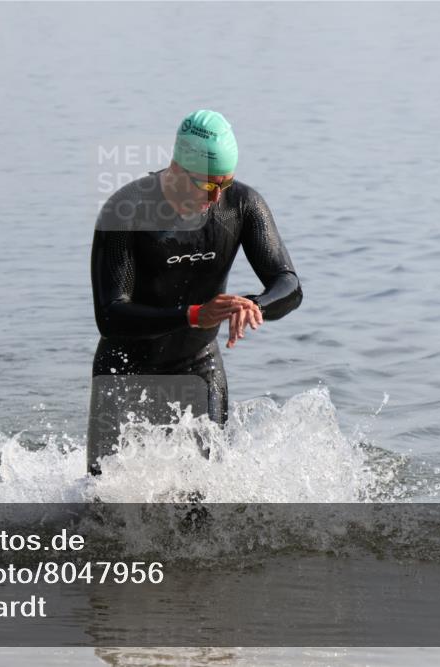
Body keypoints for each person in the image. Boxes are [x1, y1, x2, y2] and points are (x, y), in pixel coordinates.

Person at [87, 110, 302, 475]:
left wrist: (254, 305)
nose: (217, 197)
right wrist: (193, 315)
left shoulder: (243, 205)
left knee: (204, 504)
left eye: (226, 183)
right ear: (176, 167)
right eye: (207, 185)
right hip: (125, 371)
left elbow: (289, 285)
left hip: (197, 367)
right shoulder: (126, 211)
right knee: (103, 512)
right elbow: (110, 316)